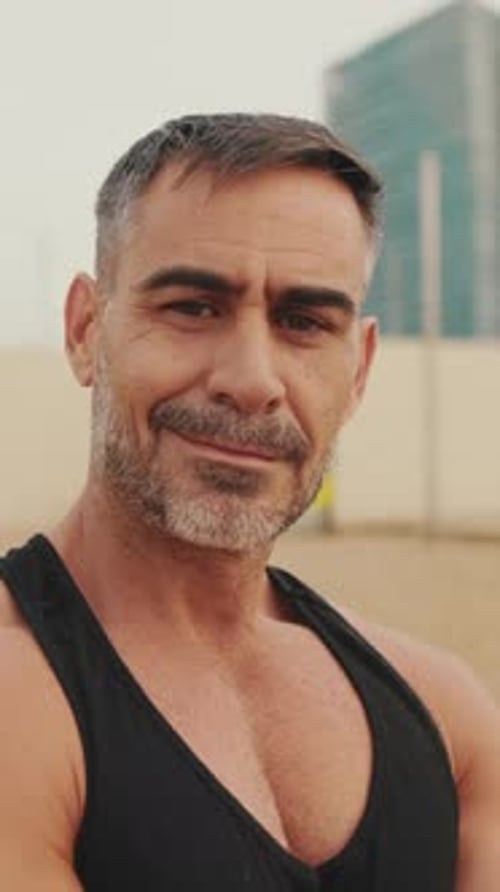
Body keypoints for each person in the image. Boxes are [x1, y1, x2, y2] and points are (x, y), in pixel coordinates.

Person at [0, 113, 498, 892]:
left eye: (304, 322)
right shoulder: (17, 698)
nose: (253, 379)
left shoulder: (447, 718)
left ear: (358, 371)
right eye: (194, 307)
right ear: (85, 329)